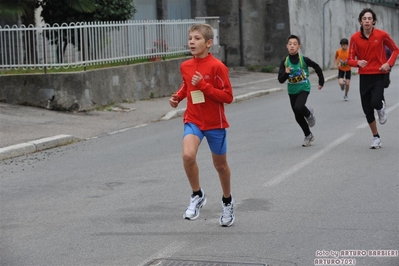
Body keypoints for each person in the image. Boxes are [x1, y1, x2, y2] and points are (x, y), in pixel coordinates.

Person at [169, 24, 235, 227]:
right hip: (194, 119)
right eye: (190, 38)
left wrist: (204, 86)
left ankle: (227, 202)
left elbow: (228, 97)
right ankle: (197, 195)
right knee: (188, 155)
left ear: (208, 43)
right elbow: (186, 85)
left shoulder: (217, 67)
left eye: (196, 38)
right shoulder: (186, 66)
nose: (191, 42)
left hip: (215, 124)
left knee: (220, 166)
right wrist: (178, 97)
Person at [348, 8, 399, 149]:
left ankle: (381, 108)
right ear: (360, 21)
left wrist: (388, 64)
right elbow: (350, 59)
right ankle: (376, 137)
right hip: (364, 76)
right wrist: (357, 62)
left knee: (376, 101)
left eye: (370, 18)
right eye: (364, 18)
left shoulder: (382, 35)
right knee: (367, 110)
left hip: (378, 74)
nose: (367, 21)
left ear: (374, 21)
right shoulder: (354, 38)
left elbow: (395, 49)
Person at [278, 34, 324, 147]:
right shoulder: (285, 61)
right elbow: (280, 80)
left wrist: (321, 81)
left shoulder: (303, 60)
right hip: (292, 90)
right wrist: (286, 73)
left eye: (294, 44)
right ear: (286, 46)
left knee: (299, 107)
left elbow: (317, 67)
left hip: (304, 87)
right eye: (290, 44)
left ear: (299, 46)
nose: (292, 46)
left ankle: (309, 114)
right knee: (297, 115)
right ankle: (308, 135)